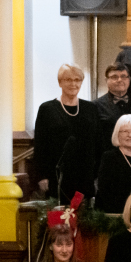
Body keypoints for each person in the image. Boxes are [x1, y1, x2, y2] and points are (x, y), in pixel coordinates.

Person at [34, 63, 99, 200]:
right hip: (57, 177)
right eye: (68, 80)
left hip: (85, 176)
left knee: (83, 219)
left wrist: (98, 176)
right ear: (60, 83)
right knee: (59, 218)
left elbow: (99, 143)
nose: (73, 84)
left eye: (77, 80)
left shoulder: (91, 109)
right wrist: (42, 176)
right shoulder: (47, 109)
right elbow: (40, 145)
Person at [96, 115, 131, 213]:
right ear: (117, 134)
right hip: (115, 214)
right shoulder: (109, 157)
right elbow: (104, 190)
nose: (130, 135)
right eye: (125, 131)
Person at [94, 63, 131, 153]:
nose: (119, 80)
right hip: (108, 159)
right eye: (114, 77)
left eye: (124, 76)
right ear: (106, 80)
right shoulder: (95, 106)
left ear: (129, 80)